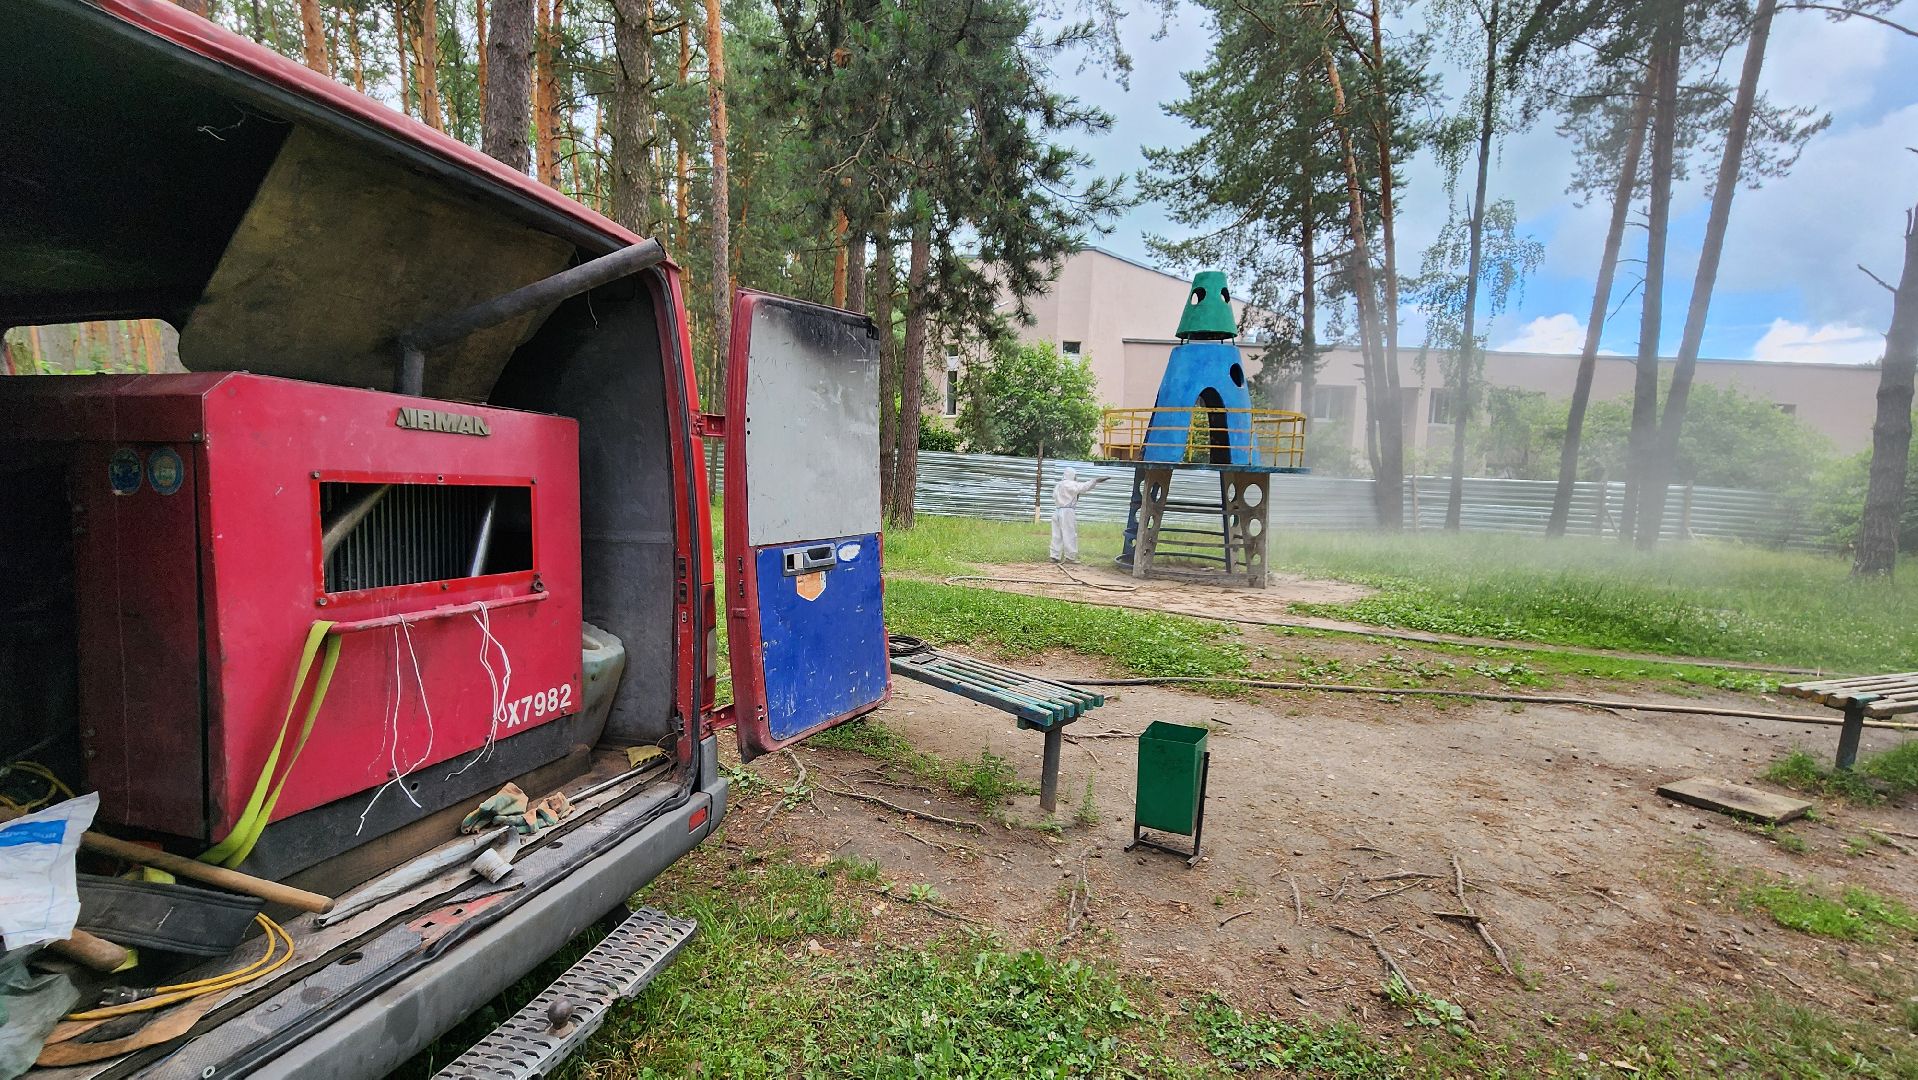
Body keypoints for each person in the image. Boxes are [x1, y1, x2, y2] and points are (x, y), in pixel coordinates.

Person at [1049, 467, 1106, 562]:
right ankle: (1070, 557)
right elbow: (1083, 487)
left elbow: (1054, 496)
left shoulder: (1058, 485)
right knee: (1069, 534)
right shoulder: (1070, 484)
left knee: (1056, 535)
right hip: (1067, 511)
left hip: (1057, 510)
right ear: (1072, 475)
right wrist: (1094, 481)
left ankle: (1054, 556)